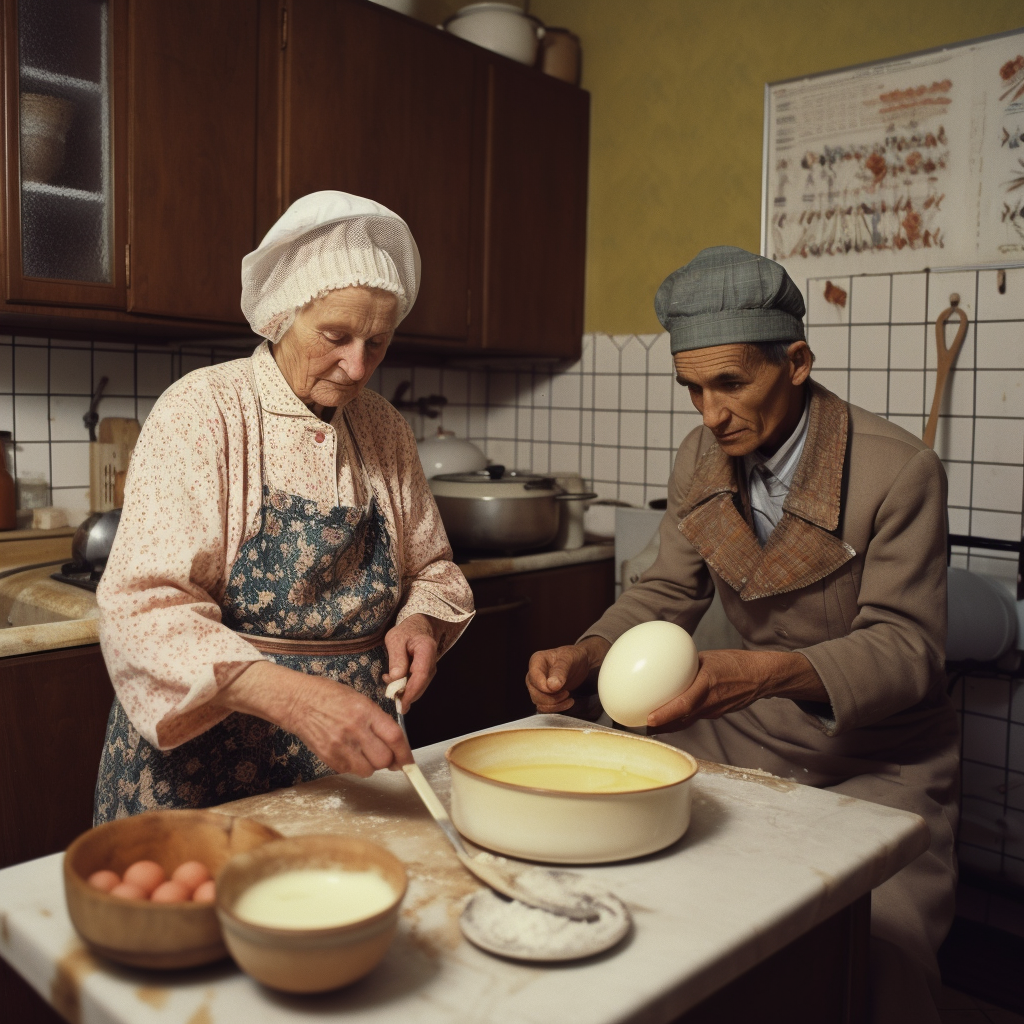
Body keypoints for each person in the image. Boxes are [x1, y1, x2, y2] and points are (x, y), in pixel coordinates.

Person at [527, 246, 957, 1024]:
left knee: (878, 952)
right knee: (625, 893)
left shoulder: (900, 472)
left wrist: (756, 673)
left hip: (871, 758)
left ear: (795, 361)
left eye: (731, 383)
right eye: (692, 387)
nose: (710, 412)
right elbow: (664, 591)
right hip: (729, 735)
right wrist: (589, 653)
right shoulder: (702, 457)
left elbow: (908, 651)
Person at [95, 191, 473, 821]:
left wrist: (420, 622)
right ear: (281, 315)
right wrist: (298, 702)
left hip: (346, 766)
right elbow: (141, 611)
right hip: (202, 769)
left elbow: (432, 571)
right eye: (336, 336)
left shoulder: (384, 429)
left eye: (377, 343)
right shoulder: (205, 410)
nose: (356, 368)